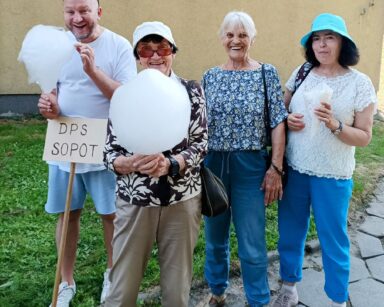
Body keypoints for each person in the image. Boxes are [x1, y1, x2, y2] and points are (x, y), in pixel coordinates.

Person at [271, 13, 377, 307]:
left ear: (343, 43)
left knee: (334, 240)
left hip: (333, 174)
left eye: (329, 37)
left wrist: (335, 124)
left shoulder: (360, 83)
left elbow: (366, 136)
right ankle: (289, 286)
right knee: (290, 232)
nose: (322, 44)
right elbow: (281, 112)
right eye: (316, 38)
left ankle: (338, 299)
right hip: (296, 168)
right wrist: (288, 119)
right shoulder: (302, 72)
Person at [37, 0, 137, 305]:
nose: (77, 18)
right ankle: (65, 281)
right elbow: (51, 93)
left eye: (84, 11)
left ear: (99, 12)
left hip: (106, 148)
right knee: (68, 215)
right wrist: (48, 106)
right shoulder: (57, 45)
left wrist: (92, 70)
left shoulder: (118, 46)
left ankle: (112, 274)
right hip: (65, 144)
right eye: (71, 12)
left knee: (110, 215)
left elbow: (126, 97)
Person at [103, 21, 208, 307]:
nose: (155, 56)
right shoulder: (125, 94)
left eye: (161, 47)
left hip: (181, 200)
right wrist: (125, 163)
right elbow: (109, 151)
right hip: (136, 201)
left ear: (173, 51)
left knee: (176, 289)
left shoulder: (191, 91)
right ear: (137, 57)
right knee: (122, 288)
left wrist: (171, 164)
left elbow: (200, 144)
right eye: (145, 50)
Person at [201, 11, 287, 307]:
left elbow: (278, 121)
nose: (235, 40)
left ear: (252, 38)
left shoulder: (267, 73)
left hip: (250, 166)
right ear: (221, 38)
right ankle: (217, 290)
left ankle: (259, 300)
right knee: (215, 238)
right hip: (213, 165)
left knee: (252, 243)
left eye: (242, 35)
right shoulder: (210, 77)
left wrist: (275, 167)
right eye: (230, 34)